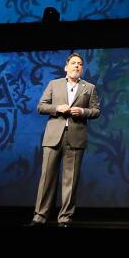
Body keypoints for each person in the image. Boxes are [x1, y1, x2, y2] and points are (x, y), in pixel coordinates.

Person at [27, 52, 99, 227]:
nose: (77, 66)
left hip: (75, 137)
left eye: (80, 64)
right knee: (47, 178)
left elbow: (96, 111)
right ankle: (40, 216)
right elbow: (41, 107)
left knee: (70, 180)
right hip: (53, 137)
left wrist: (82, 112)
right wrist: (57, 108)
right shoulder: (54, 84)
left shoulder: (89, 87)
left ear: (82, 68)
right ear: (66, 67)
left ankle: (65, 218)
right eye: (73, 63)